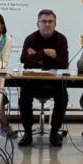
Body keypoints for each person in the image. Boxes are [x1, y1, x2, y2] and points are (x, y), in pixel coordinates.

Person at [18, 9, 69, 147]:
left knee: (63, 97)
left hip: (54, 83)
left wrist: (37, 57)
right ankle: (27, 133)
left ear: (55, 24)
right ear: (38, 24)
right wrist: (45, 53)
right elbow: (25, 62)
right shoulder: (30, 39)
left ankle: (54, 133)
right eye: (44, 21)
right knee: (24, 97)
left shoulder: (61, 39)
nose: (47, 24)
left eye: (50, 21)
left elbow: (63, 64)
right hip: (33, 82)